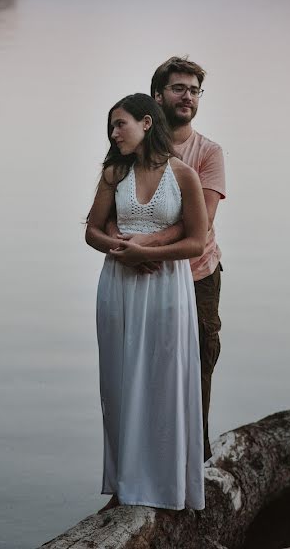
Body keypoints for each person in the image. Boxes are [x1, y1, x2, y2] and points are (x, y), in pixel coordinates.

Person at [85, 93, 208, 511]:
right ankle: (124, 485)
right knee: (119, 383)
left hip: (166, 290)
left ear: (147, 123)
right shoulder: (114, 172)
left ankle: (167, 485)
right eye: (111, 126)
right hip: (118, 287)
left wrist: (148, 254)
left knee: (163, 381)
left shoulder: (184, 175)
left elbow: (197, 241)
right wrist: (122, 251)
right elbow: (92, 231)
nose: (114, 133)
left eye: (121, 124)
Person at [108, 57, 225, 461]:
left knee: (195, 371)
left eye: (194, 90)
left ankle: (197, 469)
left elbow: (203, 225)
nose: (188, 97)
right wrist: (125, 252)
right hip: (140, 279)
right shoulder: (129, 149)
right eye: (179, 88)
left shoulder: (207, 153)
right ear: (157, 98)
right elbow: (108, 216)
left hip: (197, 277)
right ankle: (144, 469)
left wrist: (144, 245)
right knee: (143, 373)